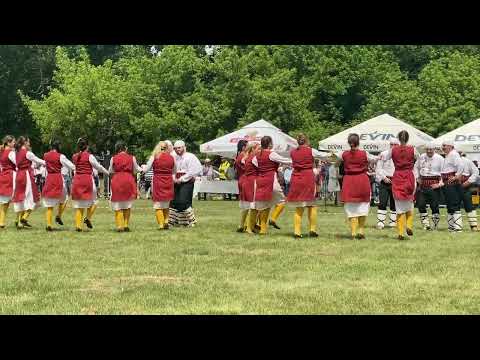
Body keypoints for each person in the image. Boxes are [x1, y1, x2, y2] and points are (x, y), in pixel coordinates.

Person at [287, 134, 332, 238]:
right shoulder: (310, 150)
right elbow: (323, 155)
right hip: (307, 177)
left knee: (299, 206)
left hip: (296, 177)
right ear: (306, 141)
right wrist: (333, 154)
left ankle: (297, 231)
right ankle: (312, 229)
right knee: (311, 204)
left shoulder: (293, 152)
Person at [335, 133, 378, 239]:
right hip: (362, 180)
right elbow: (375, 159)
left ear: (349, 143)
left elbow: (334, 162)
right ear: (358, 142)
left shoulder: (343, 154)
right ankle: (361, 230)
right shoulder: (365, 153)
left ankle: (354, 232)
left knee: (351, 207)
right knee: (363, 205)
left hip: (349, 181)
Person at [381, 131, 419, 240]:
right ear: (408, 138)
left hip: (397, 176)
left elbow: (384, 158)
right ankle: (409, 225)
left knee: (399, 206)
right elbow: (418, 158)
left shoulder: (393, 150)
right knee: (409, 202)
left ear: (398, 138)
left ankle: (401, 232)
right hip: (409, 176)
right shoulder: (413, 149)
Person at [252, 136, 292, 235]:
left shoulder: (257, 155)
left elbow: (254, 163)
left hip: (260, 181)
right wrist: (296, 160)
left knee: (265, 206)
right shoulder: (271, 154)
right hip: (271, 179)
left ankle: (263, 230)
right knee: (282, 201)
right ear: (270, 143)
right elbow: (284, 160)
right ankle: (273, 219)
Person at [71, 137, 109, 232]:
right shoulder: (89, 156)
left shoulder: (74, 156)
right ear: (87, 146)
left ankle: (78, 226)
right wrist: (107, 172)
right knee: (94, 201)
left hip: (77, 180)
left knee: (79, 205)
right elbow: (98, 167)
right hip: (87, 180)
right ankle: (88, 218)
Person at [12, 136, 46, 229]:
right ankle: (24, 218)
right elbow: (38, 160)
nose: (29, 144)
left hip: (19, 175)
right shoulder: (28, 153)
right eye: (28, 142)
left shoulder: (16, 152)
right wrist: (49, 162)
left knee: (20, 198)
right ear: (25, 142)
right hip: (26, 176)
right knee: (32, 197)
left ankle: (18, 221)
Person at [109, 141, 142, 232]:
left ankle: (120, 225)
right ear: (125, 148)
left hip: (117, 179)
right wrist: (143, 169)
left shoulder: (113, 158)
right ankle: (126, 224)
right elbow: (136, 169)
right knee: (127, 203)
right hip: (128, 180)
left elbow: (110, 170)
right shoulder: (132, 158)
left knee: (117, 204)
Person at [42, 140, 75, 231]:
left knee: (49, 204)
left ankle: (49, 224)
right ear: (58, 146)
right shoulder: (61, 156)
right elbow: (71, 165)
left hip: (49, 178)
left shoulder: (45, 155)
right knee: (65, 199)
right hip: (58, 178)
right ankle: (59, 216)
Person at [143, 141, 176, 230]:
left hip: (158, 180)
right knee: (166, 203)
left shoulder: (154, 157)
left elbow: (146, 169)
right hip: (168, 180)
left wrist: (142, 168)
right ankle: (166, 221)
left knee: (158, 204)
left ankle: (161, 224)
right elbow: (174, 171)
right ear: (167, 148)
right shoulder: (172, 157)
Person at [169, 140, 202, 227]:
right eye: (175, 148)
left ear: (184, 147)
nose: (177, 150)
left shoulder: (190, 157)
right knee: (174, 201)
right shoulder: (173, 156)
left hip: (187, 181)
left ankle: (192, 220)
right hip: (175, 180)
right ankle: (176, 221)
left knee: (184, 201)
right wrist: (174, 178)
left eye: (179, 148)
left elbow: (193, 171)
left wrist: (182, 179)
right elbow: (171, 169)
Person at [414, 142, 444, 230]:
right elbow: (416, 167)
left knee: (434, 205)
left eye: (431, 149)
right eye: (427, 149)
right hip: (423, 183)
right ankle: (426, 225)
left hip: (434, 183)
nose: (429, 151)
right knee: (421, 204)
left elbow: (444, 172)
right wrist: (417, 177)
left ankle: (435, 225)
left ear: (434, 149)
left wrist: (439, 184)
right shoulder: (422, 157)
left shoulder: (440, 159)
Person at [440, 140, 465, 232]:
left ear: (450, 146)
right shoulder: (448, 155)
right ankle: (451, 226)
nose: (443, 147)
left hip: (451, 183)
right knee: (450, 204)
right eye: (442, 146)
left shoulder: (454, 154)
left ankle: (458, 227)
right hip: (447, 182)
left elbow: (461, 165)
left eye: (444, 146)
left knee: (454, 203)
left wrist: (456, 176)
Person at [375, 138, 399, 229]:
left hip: (396, 181)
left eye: (395, 144)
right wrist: (384, 177)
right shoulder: (383, 154)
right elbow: (378, 168)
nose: (393, 146)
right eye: (391, 144)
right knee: (382, 202)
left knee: (394, 203)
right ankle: (380, 223)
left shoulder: (401, 155)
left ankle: (392, 223)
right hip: (385, 180)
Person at [240, 143, 259, 234]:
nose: (259, 150)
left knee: (247, 206)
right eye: (258, 149)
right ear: (253, 149)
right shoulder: (254, 158)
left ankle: (242, 225)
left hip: (246, 181)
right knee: (253, 206)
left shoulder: (246, 158)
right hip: (252, 181)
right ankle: (249, 227)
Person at [459, 152, 479, 231]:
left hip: (468, 187)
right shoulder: (447, 161)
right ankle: (456, 227)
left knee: (470, 205)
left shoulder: (467, 161)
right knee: (454, 206)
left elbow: (476, 172)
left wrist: (468, 182)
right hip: (453, 187)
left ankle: (473, 226)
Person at [0, 135, 16, 229]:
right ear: (8, 143)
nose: (14, 143)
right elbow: (18, 162)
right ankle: (20, 220)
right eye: (13, 142)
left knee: (4, 201)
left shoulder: (2, 152)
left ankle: (1, 222)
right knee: (21, 197)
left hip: (3, 175)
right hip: (10, 176)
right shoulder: (10, 152)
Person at [234, 140, 248, 232]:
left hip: (241, 179)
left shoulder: (238, 155)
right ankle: (245, 225)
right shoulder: (243, 155)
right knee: (248, 203)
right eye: (247, 146)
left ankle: (243, 224)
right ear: (243, 147)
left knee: (244, 203)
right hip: (245, 179)